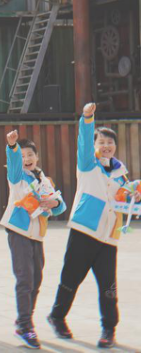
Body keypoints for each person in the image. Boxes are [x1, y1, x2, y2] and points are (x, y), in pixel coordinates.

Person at [48, 103, 140, 348]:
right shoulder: (88, 163)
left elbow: (124, 199)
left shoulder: (121, 173)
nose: (106, 146)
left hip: (109, 237)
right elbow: (84, 143)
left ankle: (109, 329)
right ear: (95, 146)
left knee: (108, 285)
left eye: (110, 142)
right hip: (84, 230)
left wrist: (134, 196)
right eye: (102, 142)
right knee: (71, 278)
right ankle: (57, 316)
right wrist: (87, 119)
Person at [1, 130, 66, 349]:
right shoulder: (17, 176)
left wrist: (55, 204)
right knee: (25, 279)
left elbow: (60, 205)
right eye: (22, 156)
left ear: (37, 157)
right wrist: (12, 148)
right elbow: (13, 164)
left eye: (30, 155)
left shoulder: (44, 179)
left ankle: (23, 319)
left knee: (36, 279)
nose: (27, 159)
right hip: (18, 231)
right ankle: (25, 325)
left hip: (37, 233)